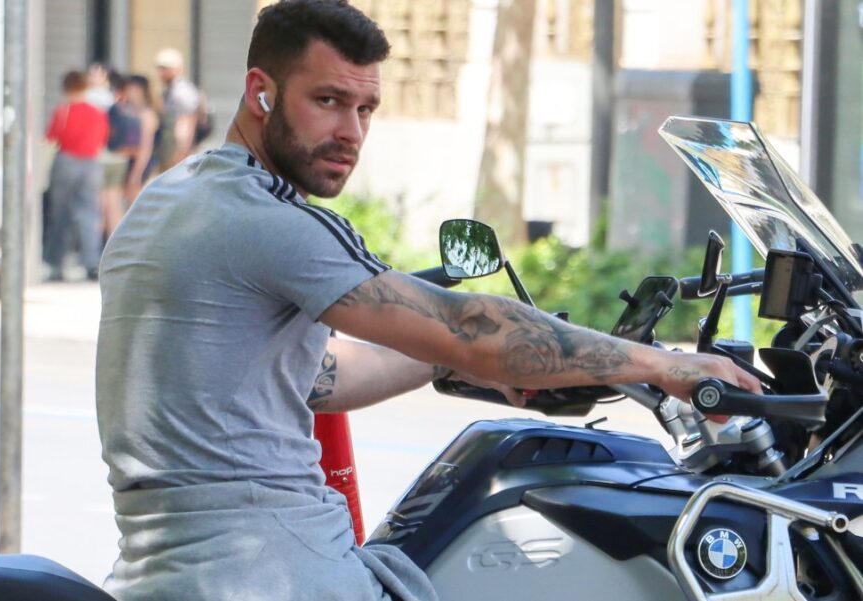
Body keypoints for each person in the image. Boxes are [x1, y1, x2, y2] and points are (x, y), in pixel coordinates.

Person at [95, 1, 762, 600]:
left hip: (170, 570)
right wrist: (665, 365)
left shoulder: (174, 198)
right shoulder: (268, 220)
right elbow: (465, 324)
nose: (351, 131)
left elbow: (318, 376)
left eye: (365, 109)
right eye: (328, 100)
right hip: (277, 571)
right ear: (259, 92)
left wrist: (452, 362)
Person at [44, 70, 108, 281]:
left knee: (61, 214)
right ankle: (92, 263)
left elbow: (52, 137)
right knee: (89, 214)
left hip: (66, 161)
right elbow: (103, 138)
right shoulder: (97, 112)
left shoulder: (63, 111)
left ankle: (56, 264)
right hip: (91, 164)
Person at [99, 71, 141, 241]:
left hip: (109, 158)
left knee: (107, 203)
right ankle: (117, 240)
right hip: (126, 159)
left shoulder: (114, 110)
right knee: (116, 203)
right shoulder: (135, 111)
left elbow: (107, 134)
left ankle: (110, 242)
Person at [152, 47, 202, 172]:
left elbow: (187, 123)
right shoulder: (170, 90)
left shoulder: (182, 92)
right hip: (168, 147)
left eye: (165, 69)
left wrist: (180, 153)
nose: (161, 73)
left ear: (177, 69)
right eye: (160, 69)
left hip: (177, 151)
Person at [121, 74, 160, 206]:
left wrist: (136, 174)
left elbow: (146, 147)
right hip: (128, 161)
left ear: (140, 90)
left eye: (131, 88)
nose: (128, 91)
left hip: (141, 164)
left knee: (135, 205)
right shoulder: (127, 111)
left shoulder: (147, 114)